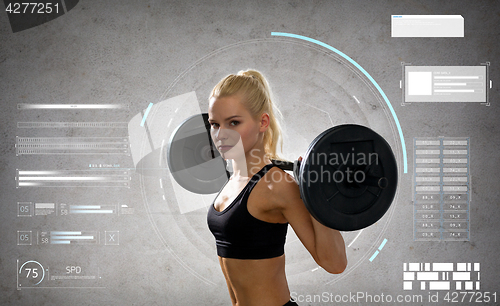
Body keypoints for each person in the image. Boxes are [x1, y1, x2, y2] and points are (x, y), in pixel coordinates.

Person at [206, 69, 347, 306]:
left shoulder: (277, 185)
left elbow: (335, 263)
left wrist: (318, 194)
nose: (221, 134)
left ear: (262, 122)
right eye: (214, 124)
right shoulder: (233, 181)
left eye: (233, 122)